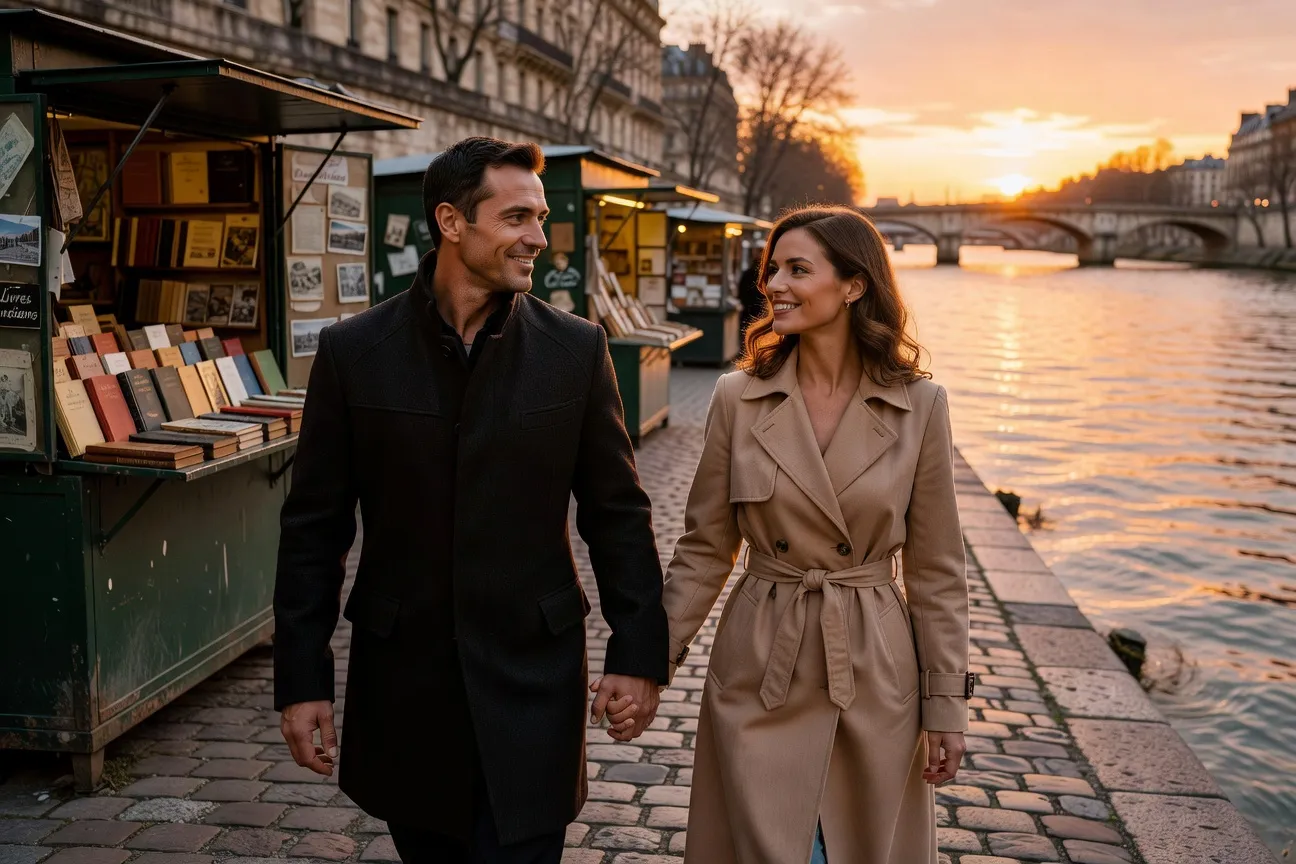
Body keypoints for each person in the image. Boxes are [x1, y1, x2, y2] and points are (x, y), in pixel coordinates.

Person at [273, 137, 667, 864]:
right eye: (518, 217)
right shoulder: (354, 351)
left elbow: (618, 512)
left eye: (541, 218)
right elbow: (313, 528)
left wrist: (639, 651)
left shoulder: (575, 350)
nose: (539, 239)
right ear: (452, 222)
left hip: (534, 676)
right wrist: (302, 681)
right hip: (406, 683)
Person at [656, 205, 971, 862]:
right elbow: (704, 549)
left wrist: (945, 705)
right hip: (760, 659)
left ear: (853, 285)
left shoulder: (921, 405)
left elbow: (938, 570)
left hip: (873, 666)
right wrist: (647, 663)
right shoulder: (735, 398)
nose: (774, 283)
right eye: (773, 268)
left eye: (798, 269)